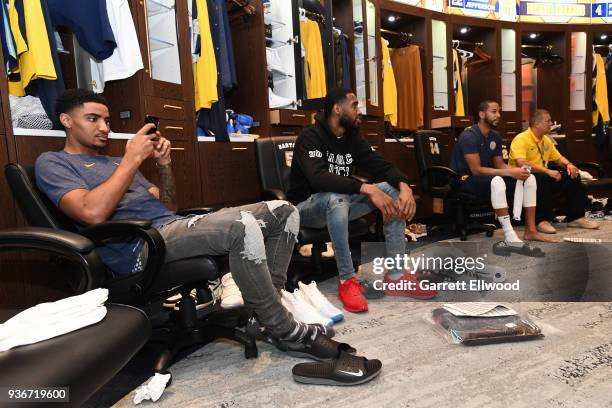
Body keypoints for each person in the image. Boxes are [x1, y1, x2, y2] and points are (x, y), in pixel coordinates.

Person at [34, 89, 334, 356]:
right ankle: (285, 330)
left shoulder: (115, 163)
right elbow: (91, 213)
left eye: (107, 121)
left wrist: (164, 166)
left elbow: (168, 205)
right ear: (66, 120)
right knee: (242, 225)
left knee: (284, 210)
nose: (104, 128)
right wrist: (132, 160)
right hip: (140, 247)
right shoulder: (53, 162)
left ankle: (263, 315)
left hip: (173, 227)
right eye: (93, 119)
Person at [287, 87, 437, 314]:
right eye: (355, 105)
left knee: (390, 190)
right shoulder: (310, 137)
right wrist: (366, 188)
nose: (360, 111)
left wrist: (404, 186)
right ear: (338, 109)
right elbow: (318, 179)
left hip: (340, 204)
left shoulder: (351, 138)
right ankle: (347, 280)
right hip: (306, 209)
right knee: (336, 197)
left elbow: (382, 165)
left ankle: (396, 276)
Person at [449, 100, 557, 251]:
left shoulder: (495, 136)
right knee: (498, 181)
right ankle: (510, 235)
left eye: (499, 111)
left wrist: (516, 171)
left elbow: (500, 165)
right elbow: (477, 170)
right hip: (465, 179)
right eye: (493, 112)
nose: (498, 115)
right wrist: (509, 172)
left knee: (529, 178)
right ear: (481, 114)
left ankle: (530, 231)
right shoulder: (469, 136)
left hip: (487, 177)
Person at [508, 109, 599, 233]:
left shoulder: (546, 139)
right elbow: (522, 163)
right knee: (543, 177)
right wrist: (547, 171)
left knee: (573, 175)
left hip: (541, 176)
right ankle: (542, 220)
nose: (551, 123)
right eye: (548, 121)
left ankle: (576, 218)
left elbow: (558, 158)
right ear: (536, 123)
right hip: (522, 178)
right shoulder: (521, 139)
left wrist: (569, 165)